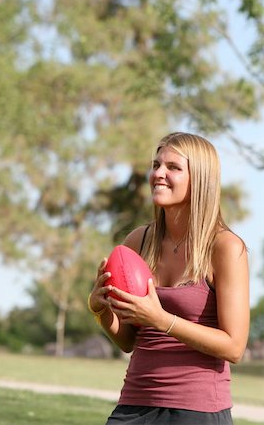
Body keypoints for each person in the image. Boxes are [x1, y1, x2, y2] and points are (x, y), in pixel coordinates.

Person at [87, 132, 250, 425]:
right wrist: (100, 310)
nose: (158, 174)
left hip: (197, 411)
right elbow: (128, 340)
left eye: (173, 167)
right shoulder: (138, 240)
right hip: (133, 406)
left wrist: (162, 319)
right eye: (156, 164)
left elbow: (234, 347)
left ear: (200, 179)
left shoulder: (226, 248)